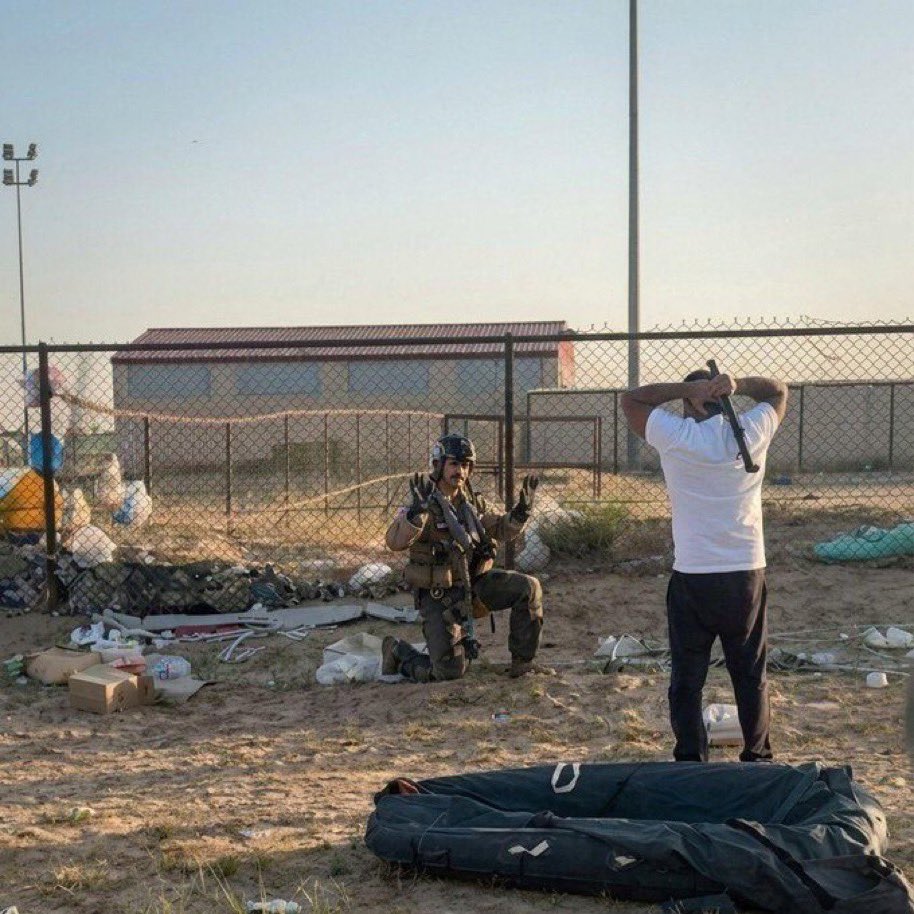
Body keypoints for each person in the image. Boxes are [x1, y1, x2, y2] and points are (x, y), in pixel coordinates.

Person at [621, 369, 788, 762]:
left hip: (694, 575)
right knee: (749, 673)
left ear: (689, 404)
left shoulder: (678, 437)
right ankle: (758, 757)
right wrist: (739, 386)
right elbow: (779, 391)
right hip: (745, 573)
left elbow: (631, 400)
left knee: (687, 679)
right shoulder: (751, 430)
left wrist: (685, 389)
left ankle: (690, 761)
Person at [382, 433, 544, 682]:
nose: (461, 470)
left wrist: (521, 513)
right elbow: (395, 542)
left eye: (466, 464)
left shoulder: (472, 504)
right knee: (448, 673)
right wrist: (416, 514)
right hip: (439, 597)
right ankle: (398, 651)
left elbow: (500, 529)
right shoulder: (424, 502)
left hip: (473, 586)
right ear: (438, 466)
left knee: (528, 587)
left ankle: (523, 664)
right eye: (454, 463)